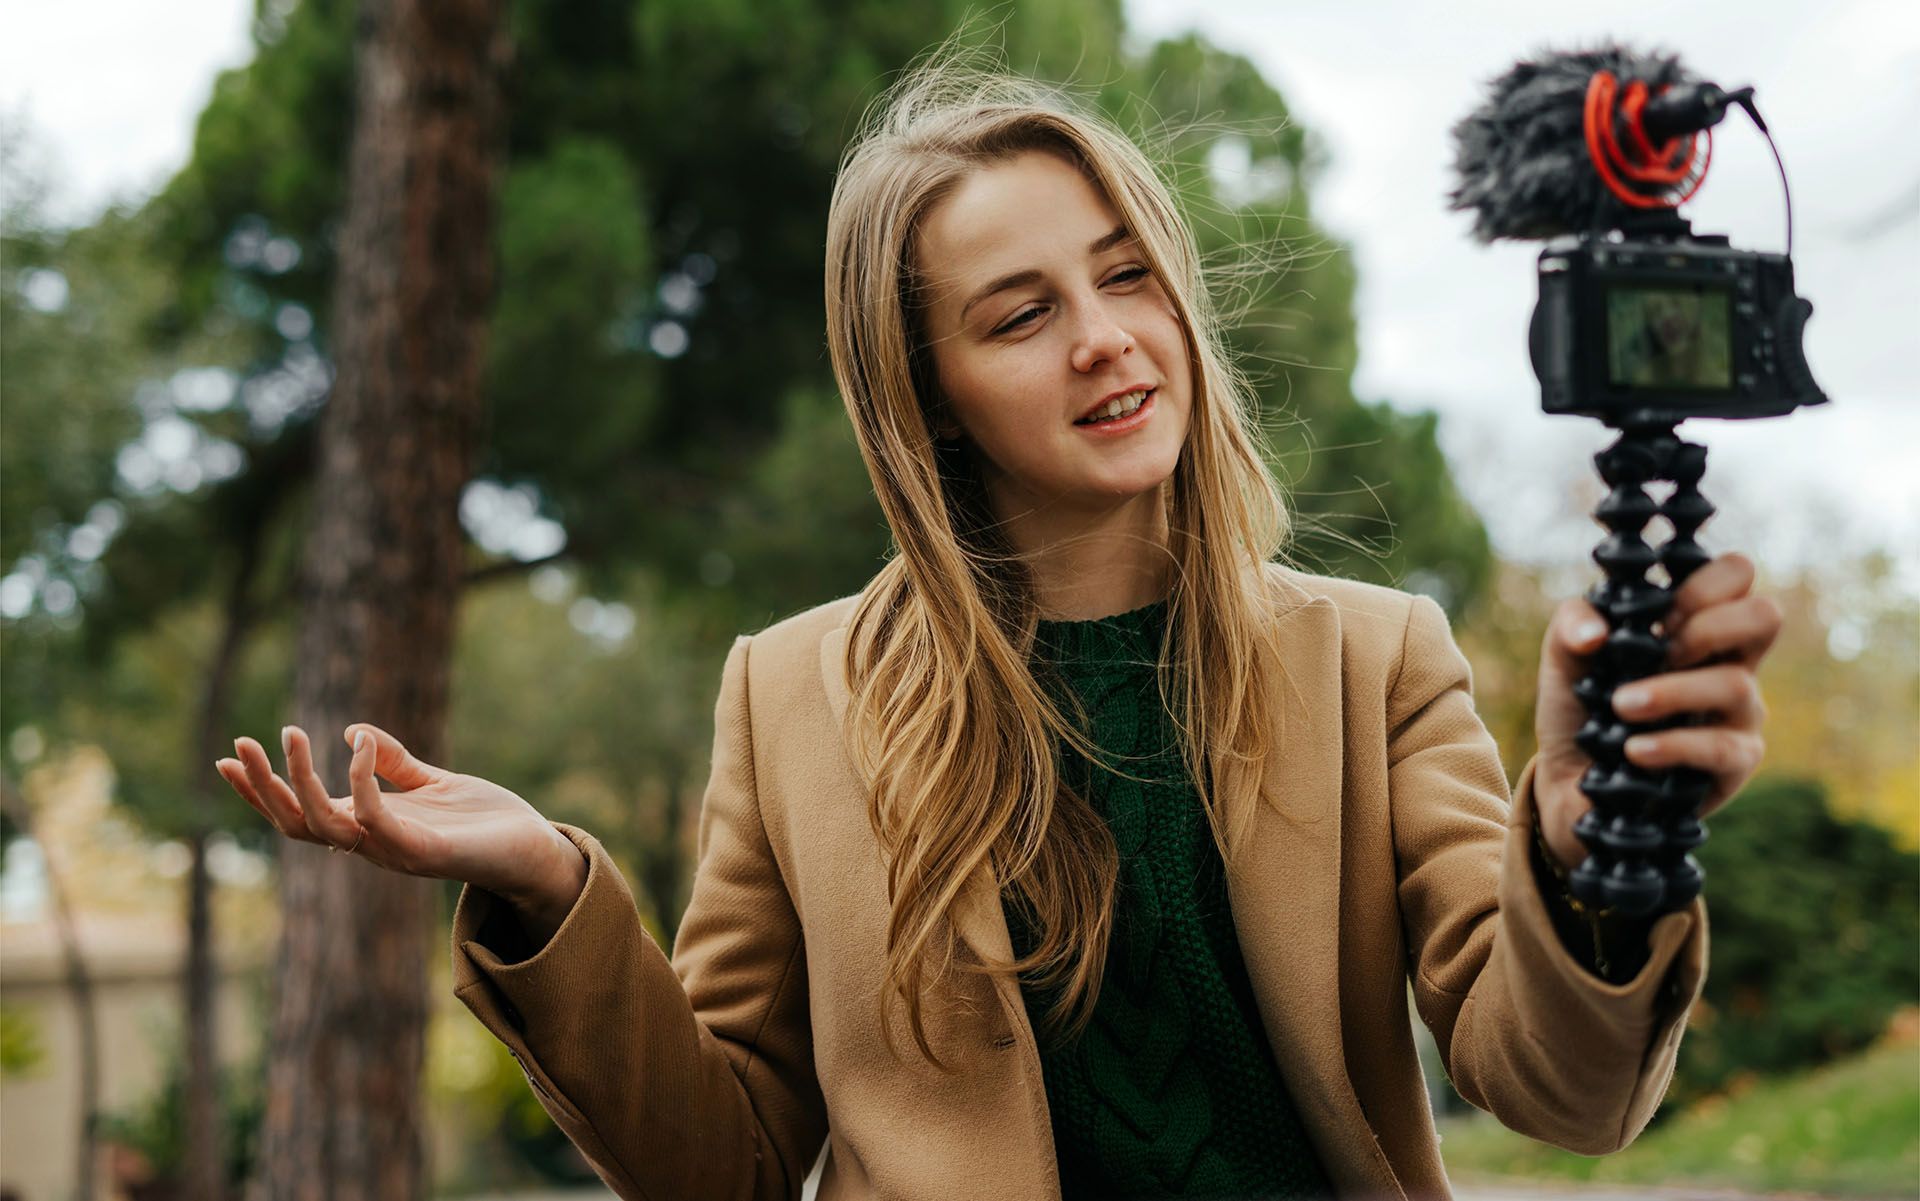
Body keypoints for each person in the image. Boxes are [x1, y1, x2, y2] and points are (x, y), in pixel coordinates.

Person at [214, 62, 1781, 1201]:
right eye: (1020, 313)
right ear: (927, 395)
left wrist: (1590, 846)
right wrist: (555, 885)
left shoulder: (1373, 659)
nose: (1108, 339)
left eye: (1127, 277)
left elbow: (1562, 1093)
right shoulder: (792, 695)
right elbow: (732, 1163)